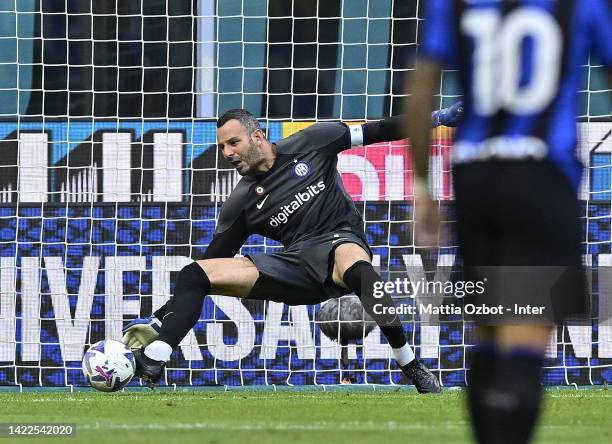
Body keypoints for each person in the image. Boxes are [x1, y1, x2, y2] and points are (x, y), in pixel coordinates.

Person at [123, 103, 463, 393]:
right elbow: (210, 265)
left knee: (356, 264)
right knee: (193, 272)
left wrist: (437, 117)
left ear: (257, 136)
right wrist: (158, 318)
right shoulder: (241, 203)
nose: (227, 153)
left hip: (339, 241)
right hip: (295, 267)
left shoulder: (314, 141)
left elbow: (379, 130)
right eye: (223, 147)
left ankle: (410, 364)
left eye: (233, 143)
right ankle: (156, 356)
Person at [405, 0, 611, 442]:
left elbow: (421, 93)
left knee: (490, 331)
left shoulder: (453, 5)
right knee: (526, 335)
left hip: (476, 178)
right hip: (542, 174)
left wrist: (422, 187)